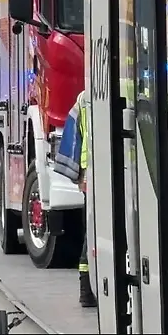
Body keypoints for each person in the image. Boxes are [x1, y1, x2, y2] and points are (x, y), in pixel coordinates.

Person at [55, 89, 96, 308]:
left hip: (90, 175)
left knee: (91, 235)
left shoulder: (84, 97)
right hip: (113, 174)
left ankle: (86, 291)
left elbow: (72, 138)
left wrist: (79, 175)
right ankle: (87, 290)